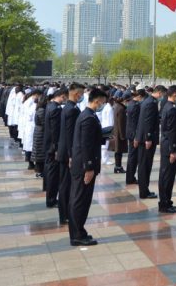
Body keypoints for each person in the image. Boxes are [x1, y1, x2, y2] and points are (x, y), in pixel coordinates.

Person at [68, 88, 107, 246]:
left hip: (82, 163)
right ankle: (77, 234)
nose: (103, 105)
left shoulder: (87, 115)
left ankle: (79, 231)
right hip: (84, 166)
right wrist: (89, 168)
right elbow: (86, 145)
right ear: (97, 100)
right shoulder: (88, 118)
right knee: (80, 200)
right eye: (102, 102)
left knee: (81, 199)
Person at [57, 83, 86, 225]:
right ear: (76, 94)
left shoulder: (69, 107)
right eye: (81, 93)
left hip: (65, 150)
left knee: (66, 184)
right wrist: (71, 155)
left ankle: (66, 213)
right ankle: (65, 215)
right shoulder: (71, 110)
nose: (82, 96)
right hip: (67, 152)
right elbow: (70, 134)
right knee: (66, 185)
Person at [135, 85, 166, 199]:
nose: (162, 97)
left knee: (146, 165)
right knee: (144, 165)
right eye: (162, 94)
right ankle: (144, 191)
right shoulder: (151, 103)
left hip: (144, 138)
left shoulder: (148, 101)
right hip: (147, 139)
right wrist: (148, 138)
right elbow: (147, 122)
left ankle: (145, 189)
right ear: (159, 92)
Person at [158, 85, 176, 214]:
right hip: (170, 147)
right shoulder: (172, 109)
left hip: (165, 145)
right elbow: (172, 131)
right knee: (167, 176)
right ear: (174, 94)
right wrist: (173, 150)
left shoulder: (166, 106)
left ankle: (165, 201)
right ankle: (165, 203)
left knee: (164, 175)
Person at [43, 88, 67, 208]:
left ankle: (50, 197)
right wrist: (57, 148)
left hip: (48, 145)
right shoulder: (56, 109)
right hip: (53, 147)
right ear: (62, 96)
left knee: (51, 172)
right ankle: (51, 199)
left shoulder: (50, 106)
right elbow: (55, 131)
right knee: (53, 174)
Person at [124, 88, 145, 185]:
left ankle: (130, 177)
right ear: (140, 96)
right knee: (133, 157)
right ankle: (130, 177)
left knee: (132, 156)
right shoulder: (136, 106)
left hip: (130, 133)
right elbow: (136, 123)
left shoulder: (131, 104)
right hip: (134, 134)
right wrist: (137, 136)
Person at [109, 91, 130, 174]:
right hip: (119, 133)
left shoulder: (117, 106)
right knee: (119, 151)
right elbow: (121, 123)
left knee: (118, 151)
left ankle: (117, 166)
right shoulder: (121, 109)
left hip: (116, 132)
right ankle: (118, 167)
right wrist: (122, 136)